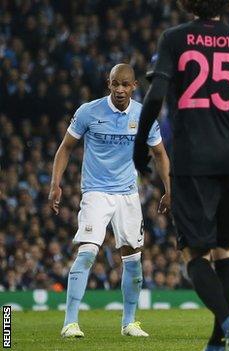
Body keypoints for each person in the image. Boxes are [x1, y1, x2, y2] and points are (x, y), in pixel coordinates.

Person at [133, 1, 229, 350]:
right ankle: (219, 341)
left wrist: (139, 145)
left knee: (195, 256)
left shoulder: (173, 39)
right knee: (227, 253)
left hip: (191, 160)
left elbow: (156, 94)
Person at [50, 64, 170, 338]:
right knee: (88, 252)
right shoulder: (88, 112)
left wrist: (168, 189)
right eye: (115, 84)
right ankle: (70, 322)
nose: (119, 89)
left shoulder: (143, 115)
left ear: (134, 87)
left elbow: (160, 154)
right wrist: (55, 184)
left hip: (128, 194)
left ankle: (129, 323)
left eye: (125, 85)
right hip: (95, 192)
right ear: (108, 83)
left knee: (133, 259)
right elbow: (65, 147)